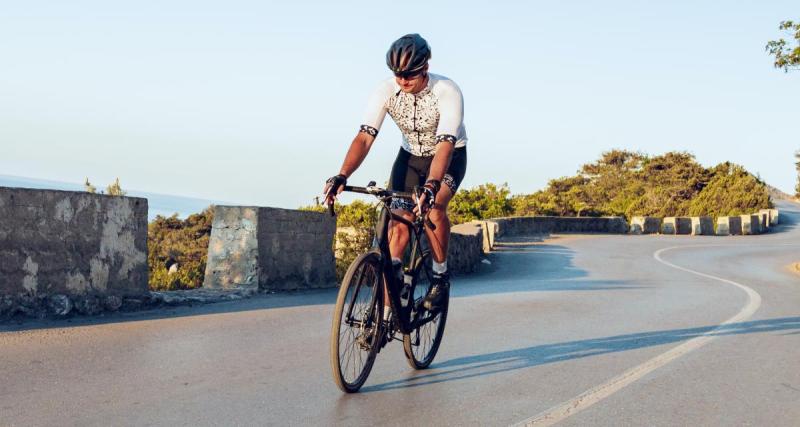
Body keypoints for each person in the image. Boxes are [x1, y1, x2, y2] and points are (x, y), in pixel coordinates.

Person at [324, 33, 467, 314]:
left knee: (435, 207)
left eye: (410, 74)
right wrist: (342, 175)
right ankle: (387, 314)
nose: (403, 80)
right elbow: (364, 138)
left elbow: (446, 144)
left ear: (425, 67)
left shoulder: (447, 91)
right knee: (398, 224)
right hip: (410, 157)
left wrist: (431, 186)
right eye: (398, 74)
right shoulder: (386, 91)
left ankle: (440, 276)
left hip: (448, 156)